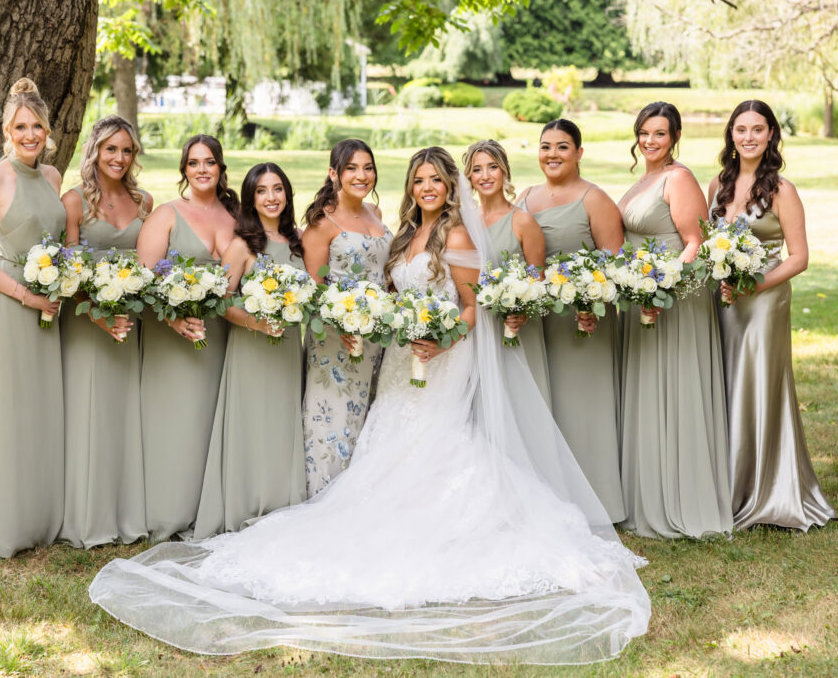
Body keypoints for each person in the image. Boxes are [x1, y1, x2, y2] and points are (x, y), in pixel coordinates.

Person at [90, 147, 650, 666]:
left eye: (436, 180)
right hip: (395, 360)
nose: (427, 187)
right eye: (419, 180)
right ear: (409, 187)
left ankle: (440, 525)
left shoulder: (454, 235)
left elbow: (473, 308)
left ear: (449, 187)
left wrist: (443, 339)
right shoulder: (406, 234)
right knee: (388, 442)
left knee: (440, 444)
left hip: (440, 358)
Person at [708, 100, 836, 531]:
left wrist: (755, 284)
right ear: (731, 135)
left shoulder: (783, 190)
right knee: (724, 383)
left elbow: (799, 257)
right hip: (723, 300)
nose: (748, 137)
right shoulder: (717, 185)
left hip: (764, 301)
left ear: (771, 136)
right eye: (740, 129)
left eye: (757, 129)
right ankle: (723, 484)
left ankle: (766, 489)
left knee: (759, 384)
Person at [0, 78, 65, 558]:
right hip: (7, 305)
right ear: (6, 130)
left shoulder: (53, 178)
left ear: (47, 129)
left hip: (49, 308)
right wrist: (27, 296)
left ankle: (38, 518)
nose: (29, 135)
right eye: (20, 127)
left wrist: (57, 288)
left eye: (36, 126)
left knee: (39, 411)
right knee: (5, 413)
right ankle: (2, 527)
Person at [617, 102, 732, 539]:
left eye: (659, 134)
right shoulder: (646, 178)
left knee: (674, 388)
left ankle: (682, 497)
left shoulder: (678, 177)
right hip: (643, 293)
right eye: (644, 132)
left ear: (675, 138)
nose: (649, 140)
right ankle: (646, 492)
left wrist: (662, 289)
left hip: (674, 299)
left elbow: (694, 242)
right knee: (648, 388)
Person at [191, 162, 308, 539]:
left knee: (281, 422)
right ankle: (245, 503)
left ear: (287, 194)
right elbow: (220, 303)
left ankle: (281, 503)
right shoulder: (242, 246)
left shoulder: (298, 242)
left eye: (277, 189)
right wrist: (255, 322)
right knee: (253, 423)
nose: (271, 197)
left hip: (287, 347)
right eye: (262, 190)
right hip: (252, 347)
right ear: (251, 199)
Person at [518, 119, 626, 522]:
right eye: (546, 146)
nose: (552, 154)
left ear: (579, 152)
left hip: (584, 323)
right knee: (548, 409)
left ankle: (598, 503)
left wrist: (590, 300)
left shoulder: (594, 199)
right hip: (537, 321)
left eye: (562, 147)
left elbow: (616, 266)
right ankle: (553, 501)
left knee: (584, 406)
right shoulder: (525, 198)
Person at [136, 135, 238, 540]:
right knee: (177, 422)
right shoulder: (167, 215)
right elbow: (144, 281)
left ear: (220, 168)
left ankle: (210, 508)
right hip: (173, 336)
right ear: (183, 170)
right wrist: (174, 319)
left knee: (212, 420)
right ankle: (169, 510)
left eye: (209, 162)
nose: (201, 169)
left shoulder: (237, 216)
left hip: (223, 334)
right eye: (193, 163)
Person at [58, 115, 152, 548]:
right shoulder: (74, 202)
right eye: (110, 149)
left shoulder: (145, 202)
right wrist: (96, 314)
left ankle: (126, 514)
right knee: (88, 414)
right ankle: (85, 518)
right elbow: (68, 272)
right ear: (94, 151)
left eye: (126, 150)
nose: (118, 157)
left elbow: (151, 265)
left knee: (124, 415)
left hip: (129, 324)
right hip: (86, 324)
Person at [301, 139, 392, 496]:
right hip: (335, 341)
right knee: (333, 418)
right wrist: (341, 325)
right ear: (333, 173)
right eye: (352, 168)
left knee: (367, 414)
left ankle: (359, 497)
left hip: (375, 338)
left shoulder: (376, 213)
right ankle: (325, 496)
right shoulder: (322, 223)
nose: (362, 175)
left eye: (368, 167)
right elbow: (313, 288)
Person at [463, 138, 552, 403]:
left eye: (493, 167)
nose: (485, 176)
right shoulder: (463, 224)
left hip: (515, 329)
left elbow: (538, 280)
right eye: (477, 169)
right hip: (477, 329)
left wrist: (521, 313)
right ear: (469, 176)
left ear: (504, 171)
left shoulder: (522, 221)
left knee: (518, 402)